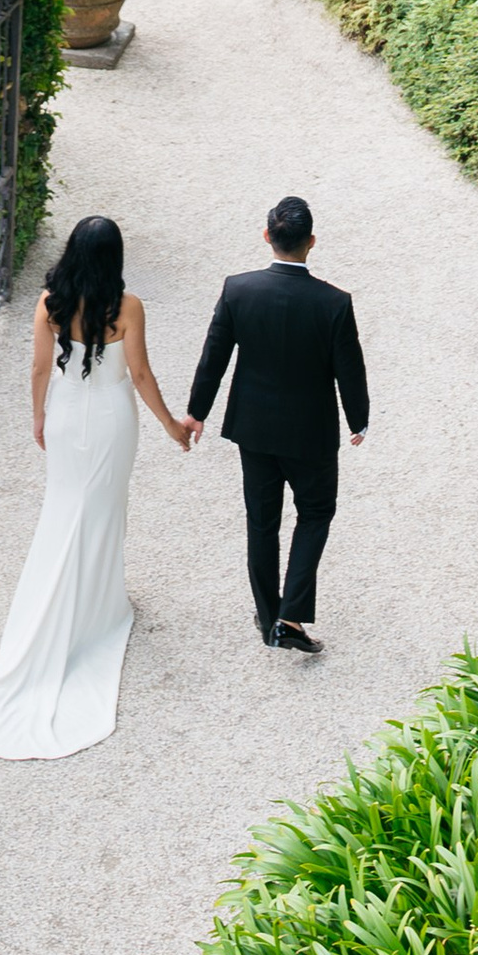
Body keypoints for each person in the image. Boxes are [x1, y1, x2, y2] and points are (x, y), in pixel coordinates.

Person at [0, 213, 192, 760]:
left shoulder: (49, 303)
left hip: (66, 415)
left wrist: (38, 418)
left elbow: (41, 370)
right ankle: (98, 603)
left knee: (64, 508)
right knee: (105, 510)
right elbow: (139, 376)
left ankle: (74, 597)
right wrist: (170, 427)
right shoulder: (128, 307)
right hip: (111, 419)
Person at [185, 195, 369, 654]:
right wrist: (358, 418)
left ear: (267, 236)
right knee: (315, 514)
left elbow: (215, 357)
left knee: (261, 522)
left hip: (255, 429)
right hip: (312, 434)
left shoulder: (238, 290)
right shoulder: (334, 303)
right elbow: (350, 368)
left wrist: (197, 412)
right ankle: (289, 616)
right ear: (311, 242)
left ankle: (270, 617)